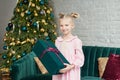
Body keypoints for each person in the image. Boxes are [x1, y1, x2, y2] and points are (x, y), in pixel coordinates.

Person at [52, 12, 85, 80]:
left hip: (71, 72)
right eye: (61, 25)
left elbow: (80, 58)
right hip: (59, 72)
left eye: (66, 25)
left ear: (72, 26)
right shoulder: (58, 41)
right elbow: (55, 56)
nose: (64, 28)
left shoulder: (76, 41)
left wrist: (70, 66)